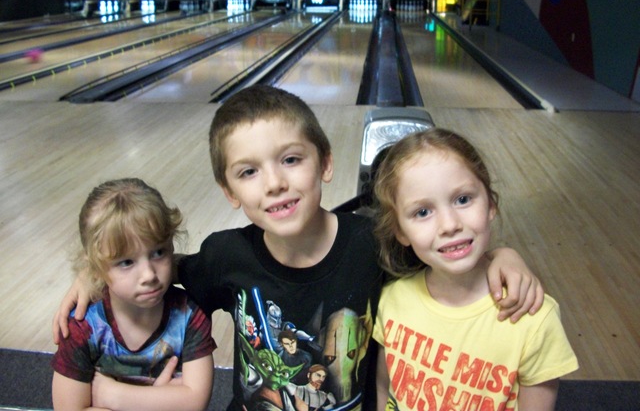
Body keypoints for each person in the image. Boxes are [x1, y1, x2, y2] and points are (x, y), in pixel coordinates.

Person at [54, 86, 544, 411]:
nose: (275, 184)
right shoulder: (226, 256)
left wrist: (501, 256)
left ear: (325, 162)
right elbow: (156, 269)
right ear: (230, 192)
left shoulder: (370, 242)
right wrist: (92, 276)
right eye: (248, 172)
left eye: (291, 159)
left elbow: (446, 252)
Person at [372, 128, 578, 411]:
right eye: (422, 212)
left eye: (463, 199)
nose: (450, 224)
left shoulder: (533, 318)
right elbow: (384, 390)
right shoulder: (390, 302)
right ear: (400, 231)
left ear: (491, 204)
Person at [51, 178, 215, 411]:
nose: (148, 274)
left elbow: (194, 403)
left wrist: (113, 396)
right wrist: (160, 403)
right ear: (95, 267)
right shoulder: (83, 327)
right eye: (126, 262)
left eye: (158, 252)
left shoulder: (189, 314)